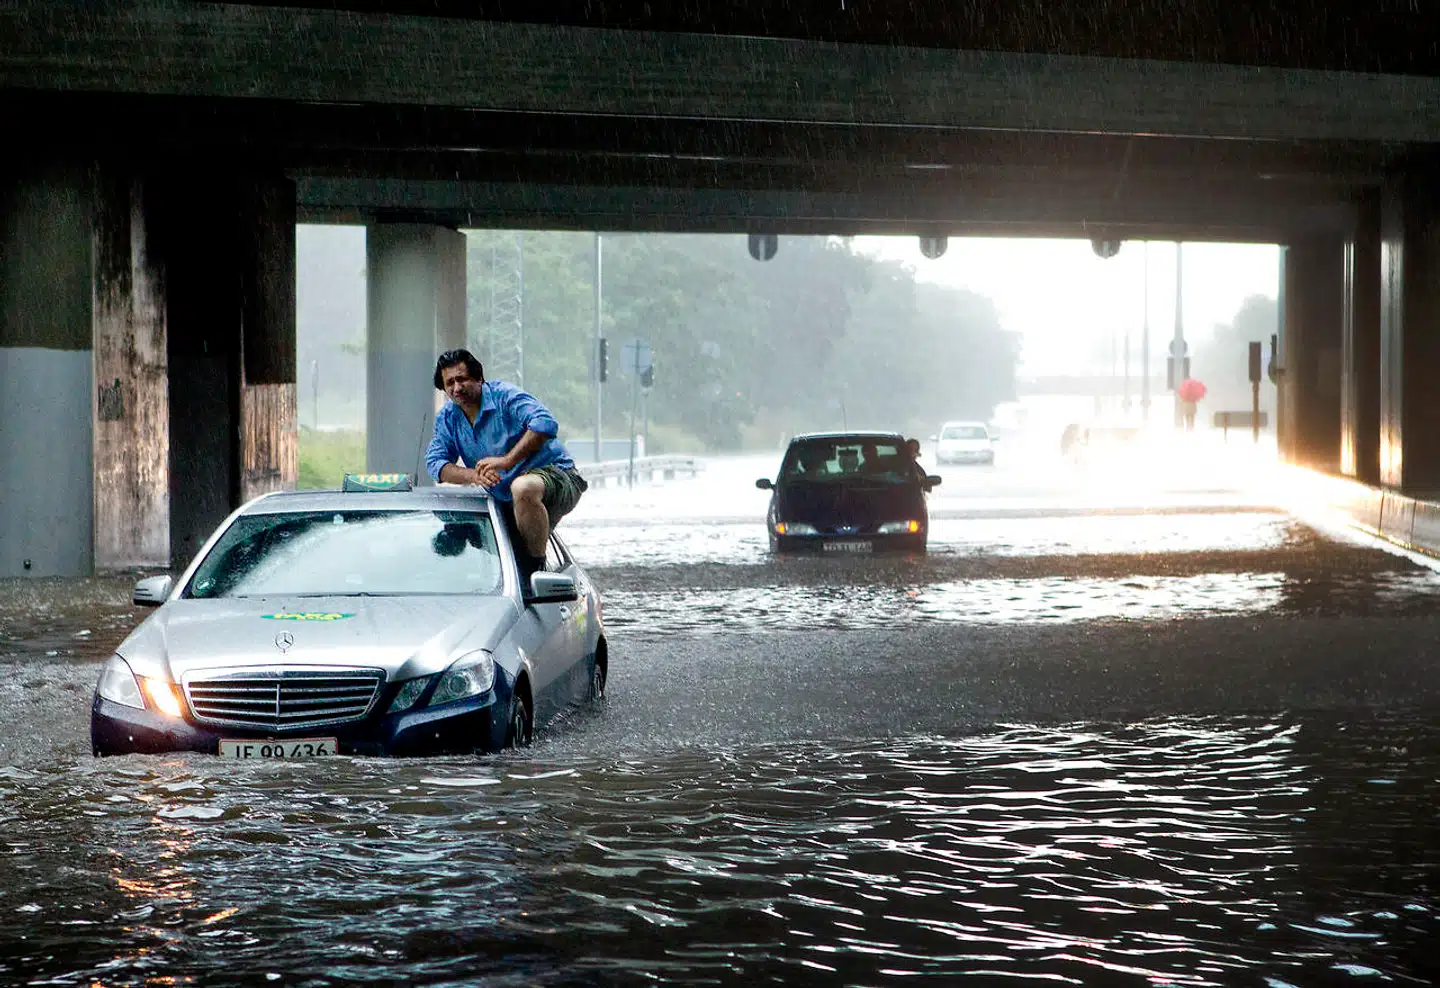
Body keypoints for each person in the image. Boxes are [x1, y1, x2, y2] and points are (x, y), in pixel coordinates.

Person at [425, 349, 587, 581]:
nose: (457, 388)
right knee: (459, 531)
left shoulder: (505, 396)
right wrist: (474, 476)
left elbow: (546, 423)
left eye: (462, 379)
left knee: (522, 488)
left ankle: (536, 572)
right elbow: (435, 463)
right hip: (506, 500)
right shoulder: (448, 418)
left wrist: (507, 461)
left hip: (558, 477)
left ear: (479, 378)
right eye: (449, 383)